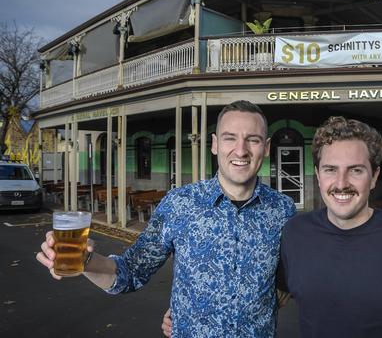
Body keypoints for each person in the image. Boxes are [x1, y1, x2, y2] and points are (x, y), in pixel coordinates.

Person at [163, 116, 382, 337]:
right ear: (318, 175)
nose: (341, 182)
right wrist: (194, 308)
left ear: (375, 175)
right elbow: (272, 294)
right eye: (331, 169)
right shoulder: (295, 233)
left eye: (356, 170)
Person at [36, 100, 296, 337]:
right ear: (215, 144)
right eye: (230, 138)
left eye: (253, 139)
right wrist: (87, 261)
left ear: (267, 147)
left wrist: (283, 289)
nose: (240, 150)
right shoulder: (179, 204)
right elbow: (130, 272)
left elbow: (302, 273)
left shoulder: (283, 210)